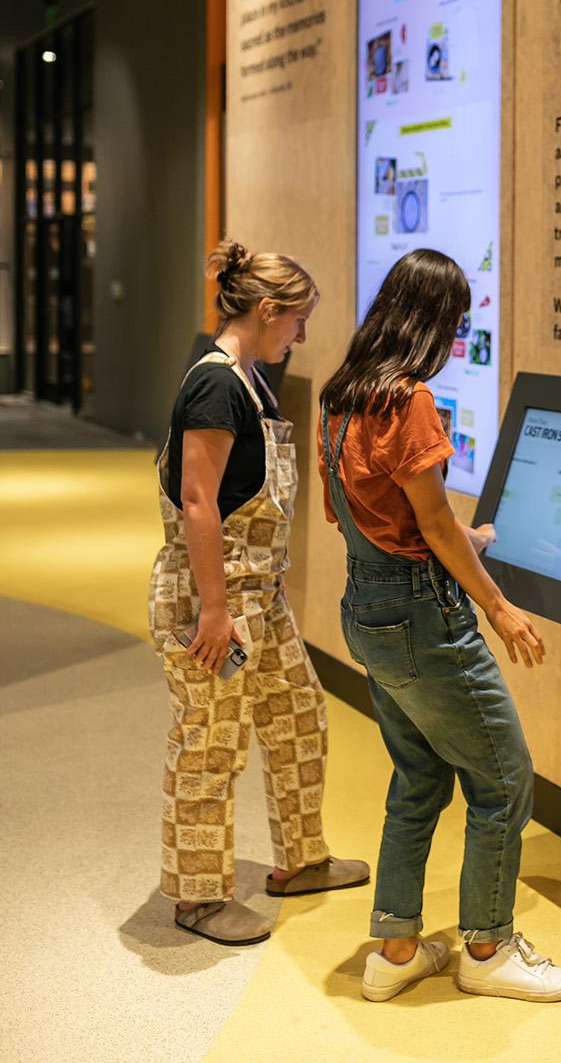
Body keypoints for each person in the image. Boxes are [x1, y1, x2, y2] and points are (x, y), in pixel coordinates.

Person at [317, 248, 561, 1002]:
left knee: (419, 775)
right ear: (431, 320)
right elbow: (429, 523)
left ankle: (397, 951)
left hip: (365, 610)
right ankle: (488, 950)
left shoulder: (344, 397)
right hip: (423, 618)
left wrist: (468, 538)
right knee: (503, 781)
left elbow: (365, 514)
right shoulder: (408, 401)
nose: (459, 335)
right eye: (457, 321)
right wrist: (498, 606)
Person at [148, 238, 369, 946]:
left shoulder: (249, 377)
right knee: (211, 744)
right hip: (216, 601)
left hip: (257, 599)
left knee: (298, 716)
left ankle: (301, 859)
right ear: (267, 309)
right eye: (297, 320)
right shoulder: (215, 383)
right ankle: (197, 898)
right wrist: (213, 612)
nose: (302, 335)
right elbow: (197, 499)